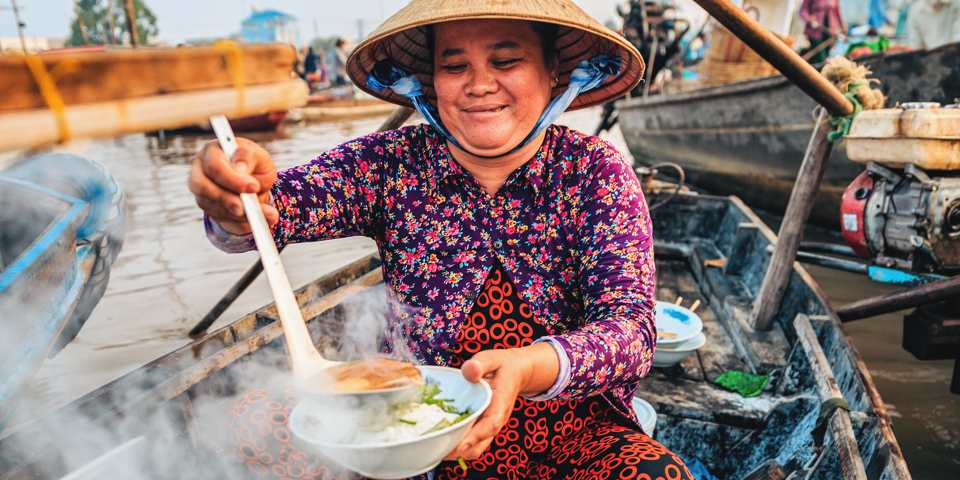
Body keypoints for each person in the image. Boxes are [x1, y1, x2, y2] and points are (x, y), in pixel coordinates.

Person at [189, 0, 691, 479]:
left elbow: (632, 334)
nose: (479, 85)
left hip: (566, 437)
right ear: (431, 82)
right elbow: (280, 206)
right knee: (255, 421)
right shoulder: (393, 161)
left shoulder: (596, 172)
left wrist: (524, 366)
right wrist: (234, 199)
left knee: (656, 474)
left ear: (552, 71)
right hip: (408, 424)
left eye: (506, 60)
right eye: (455, 67)